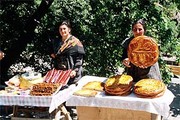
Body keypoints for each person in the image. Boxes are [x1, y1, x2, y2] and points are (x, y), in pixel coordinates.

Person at [50, 20, 85, 85]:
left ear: (69, 29)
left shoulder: (75, 42)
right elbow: (54, 54)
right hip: (59, 75)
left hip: (71, 75)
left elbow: (80, 59)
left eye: (64, 29)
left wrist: (75, 70)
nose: (62, 31)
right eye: (60, 29)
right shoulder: (57, 42)